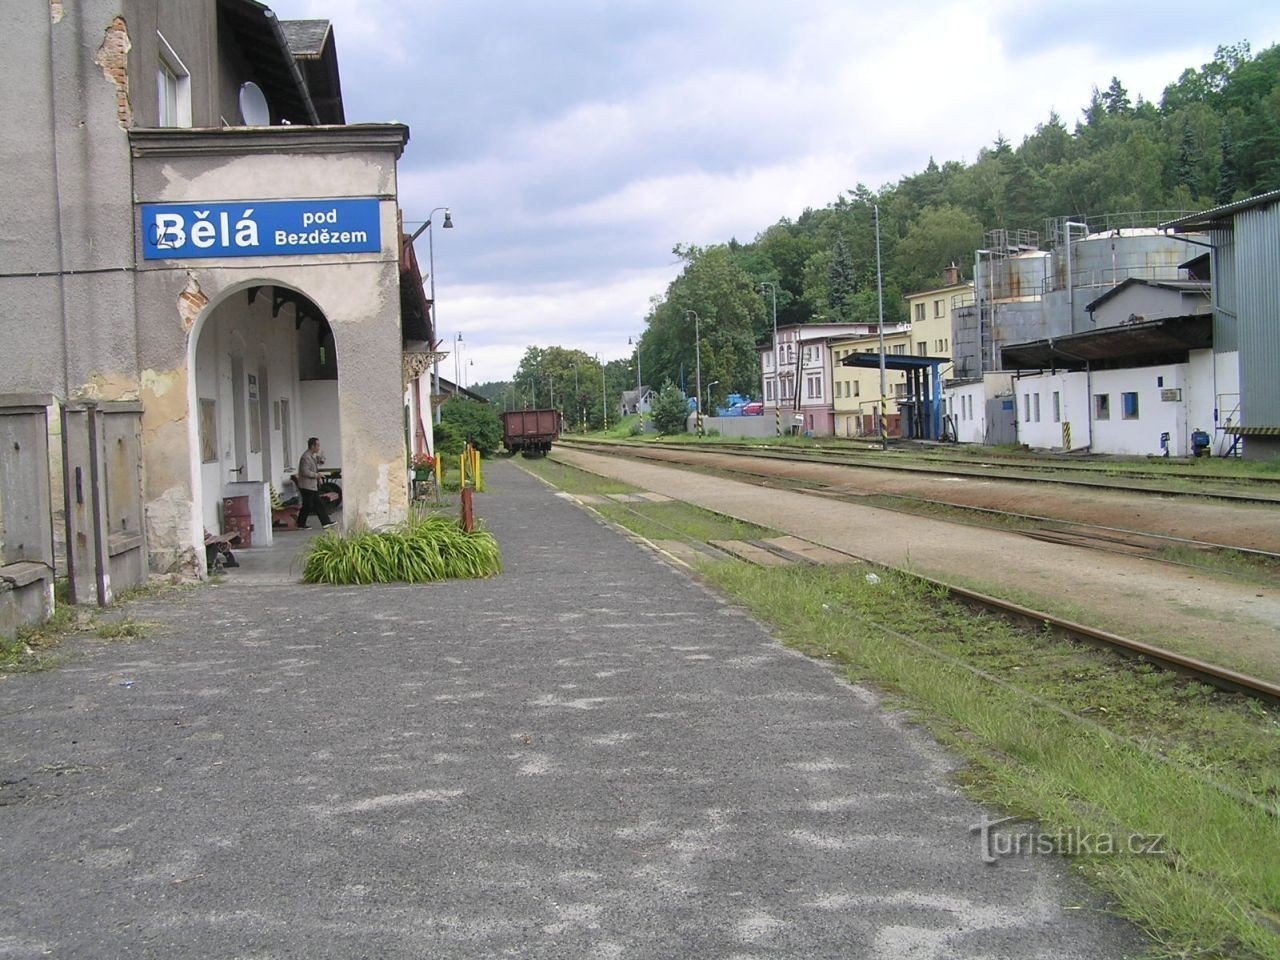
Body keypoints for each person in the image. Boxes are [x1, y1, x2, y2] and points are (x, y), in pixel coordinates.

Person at [296, 437, 335, 529]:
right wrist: (316, 475)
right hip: (306, 485)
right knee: (308, 505)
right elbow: (305, 471)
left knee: (317, 504)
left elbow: (317, 463)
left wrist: (321, 460)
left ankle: (325, 522)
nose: (318, 448)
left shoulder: (311, 456)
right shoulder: (305, 457)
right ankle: (301, 523)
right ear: (312, 446)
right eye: (317, 445)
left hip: (312, 485)